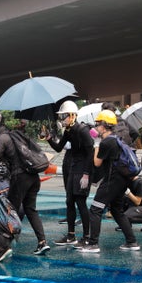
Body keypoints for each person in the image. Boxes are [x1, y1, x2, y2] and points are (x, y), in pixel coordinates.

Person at [0, 113, 50, 255]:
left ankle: (3, 244)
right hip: (33, 177)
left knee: (9, 210)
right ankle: (42, 242)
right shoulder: (16, 135)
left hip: (20, 177)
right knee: (30, 209)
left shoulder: (1, 139)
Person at [85, 110, 140, 252]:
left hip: (112, 180)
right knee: (116, 210)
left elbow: (97, 162)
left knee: (95, 209)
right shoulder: (116, 139)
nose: (96, 127)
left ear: (103, 125)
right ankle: (131, 242)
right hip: (122, 181)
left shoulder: (106, 142)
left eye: (98, 124)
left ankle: (93, 244)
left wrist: (96, 143)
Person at [45, 100, 93, 247]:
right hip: (73, 167)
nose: (62, 119)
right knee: (69, 201)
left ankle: (86, 236)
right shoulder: (68, 131)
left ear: (72, 116)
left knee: (80, 202)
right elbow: (59, 148)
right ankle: (71, 235)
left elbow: (90, 152)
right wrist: (49, 139)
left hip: (82, 169)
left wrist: (86, 174)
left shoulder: (82, 130)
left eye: (64, 116)